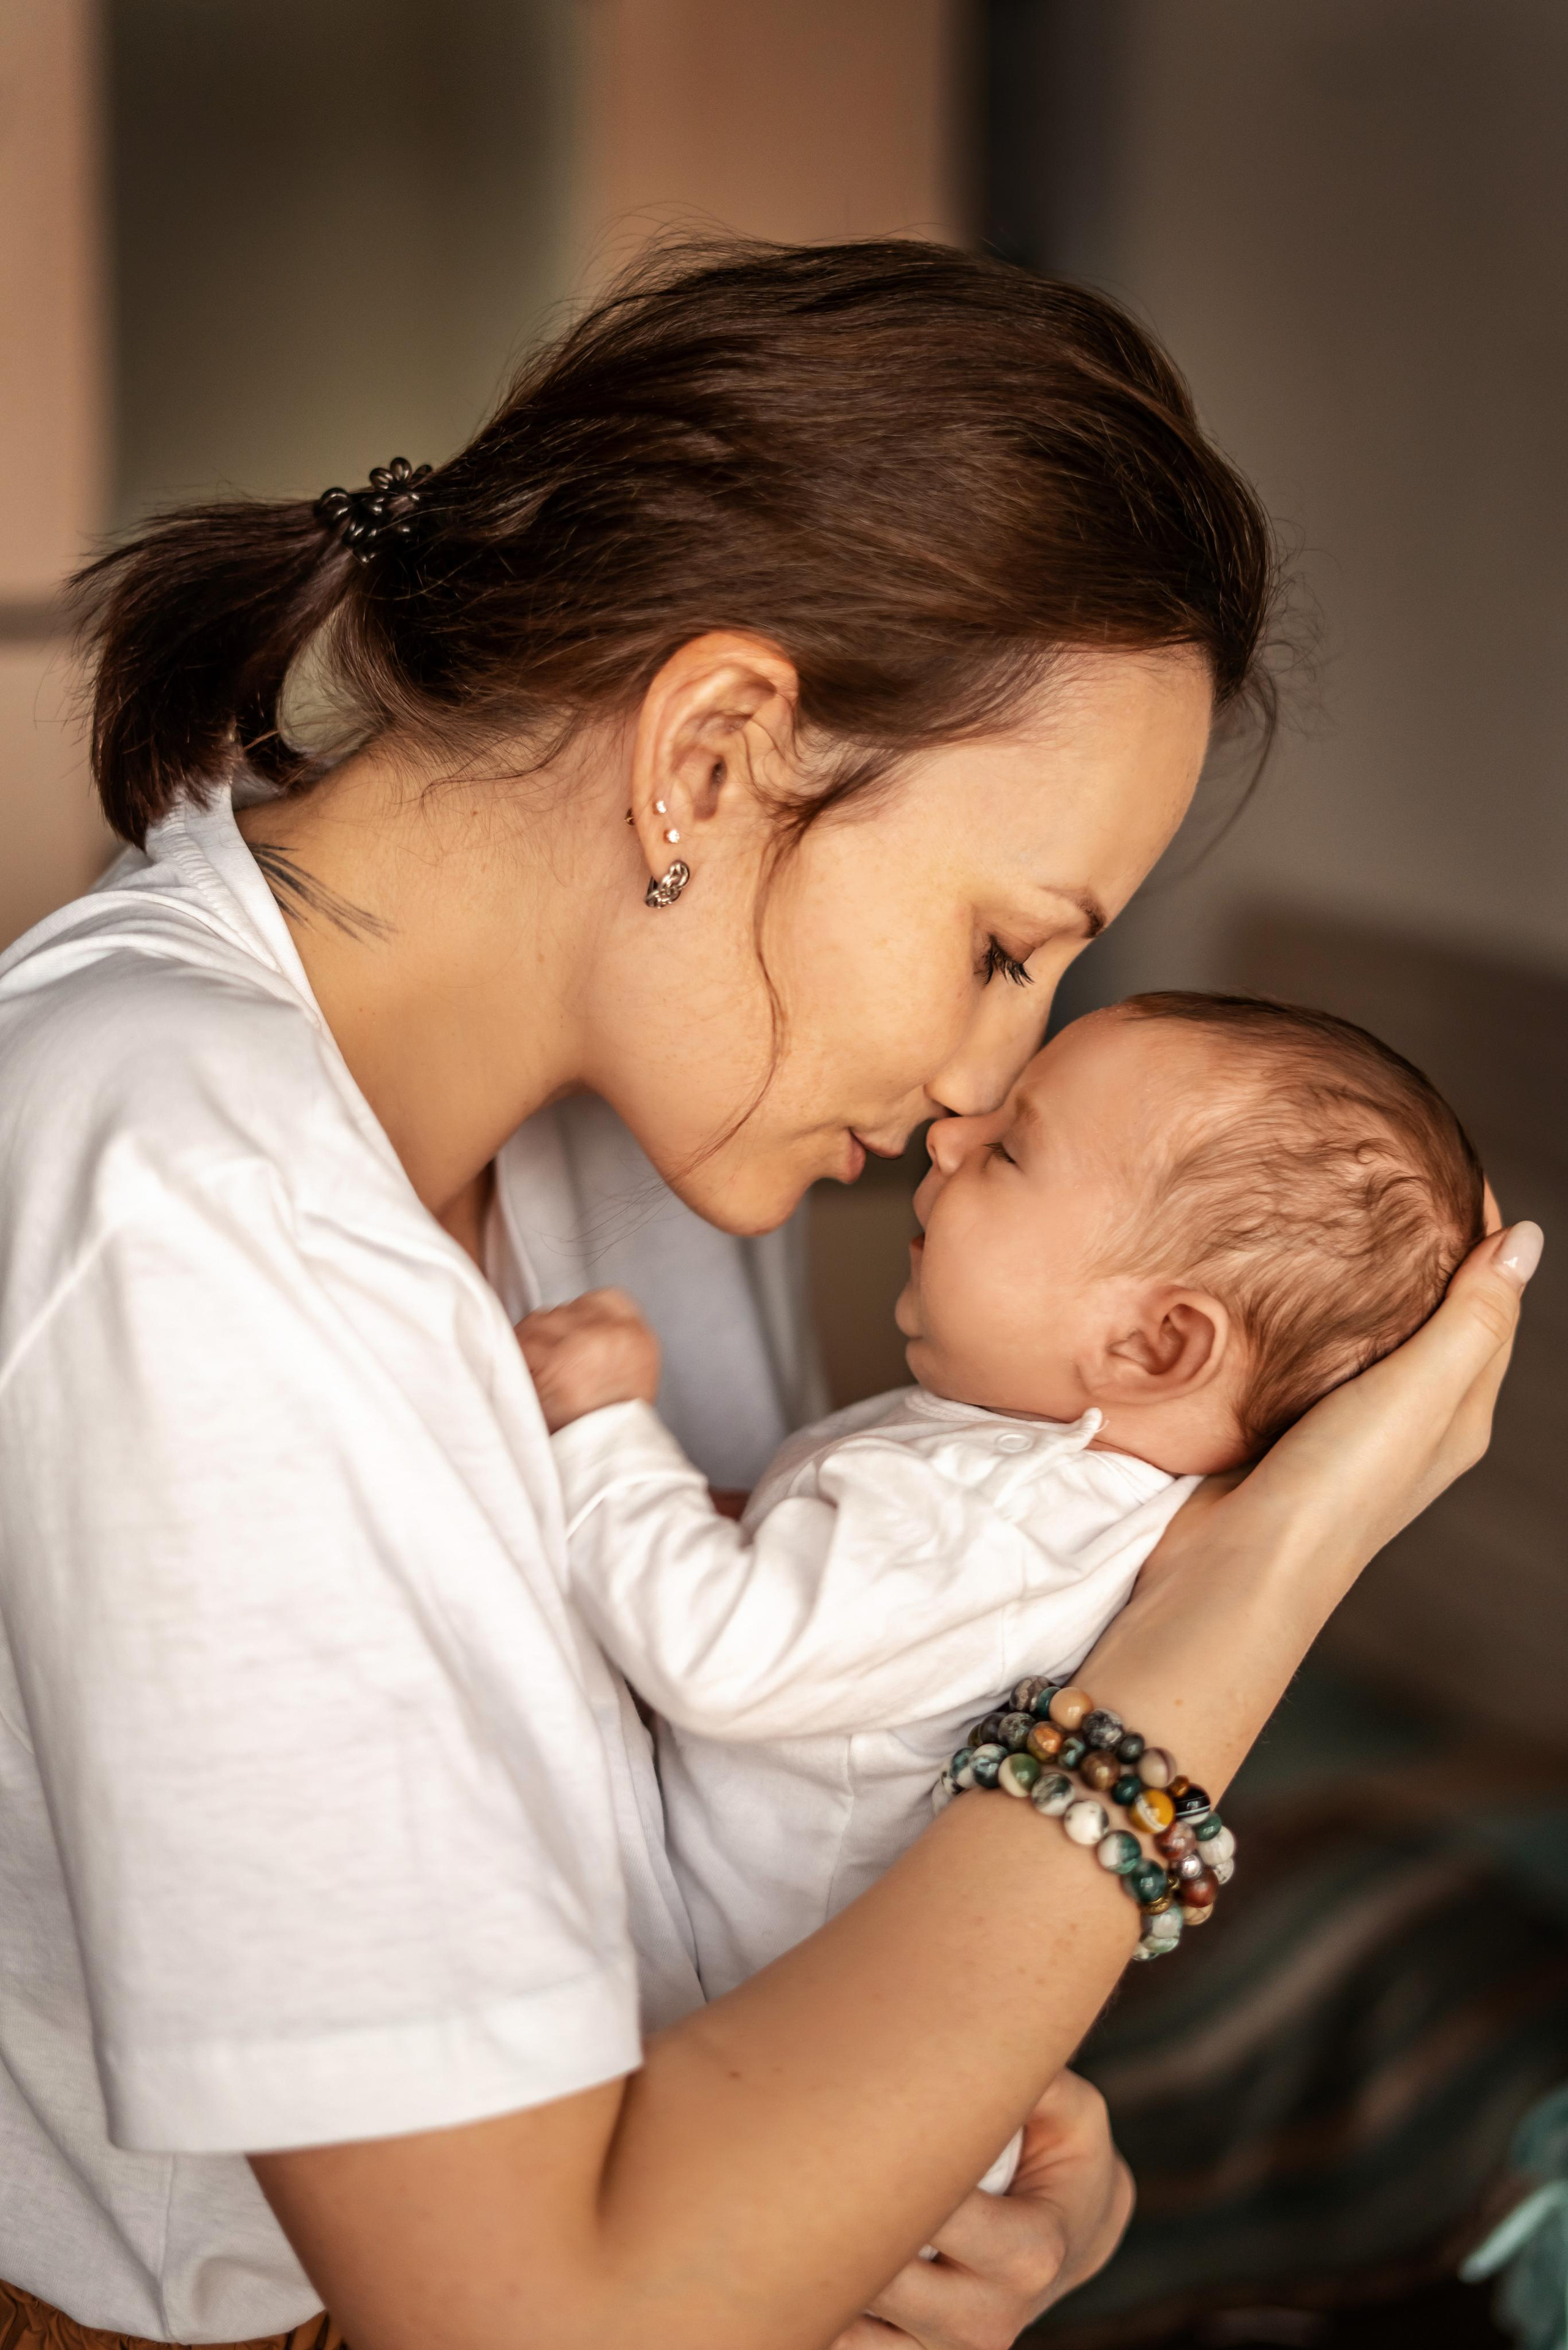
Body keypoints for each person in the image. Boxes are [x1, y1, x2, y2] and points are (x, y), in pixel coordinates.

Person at [0, 239, 1536, 2350]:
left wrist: (897, 2195)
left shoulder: (629, 1132)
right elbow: (545, 2313)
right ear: (714, 756)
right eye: (1005, 946)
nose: (984, 1084)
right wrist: (1250, 1584)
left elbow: (722, 1857)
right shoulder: (176, 1187)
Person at [511, 987, 1487, 2175]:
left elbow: (720, 1653)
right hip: (855, 2101)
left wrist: (600, 1429)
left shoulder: (988, 1518)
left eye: (1012, 1145)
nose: (949, 1131)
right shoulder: (1067, 1504)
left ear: (1155, 1344)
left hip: (767, 2109)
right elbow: (819, 1569)